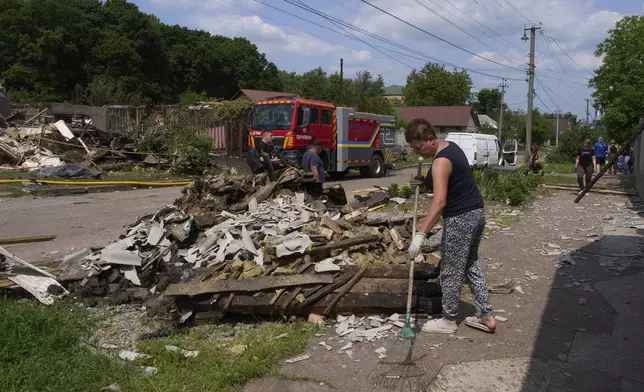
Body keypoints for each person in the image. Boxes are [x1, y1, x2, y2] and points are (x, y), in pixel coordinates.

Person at [406, 118, 495, 335]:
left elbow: (439, 202)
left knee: (450, 271)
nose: (418, 151)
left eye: (419, 147)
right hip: (476, 212)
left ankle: (448, 320)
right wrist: (423, 181)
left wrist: (420, 235)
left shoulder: (439, 162)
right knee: (470, 264)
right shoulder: (451, 147)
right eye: (413, 148)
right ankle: (487, 315)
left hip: (460, 218)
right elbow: (446, 178)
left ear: (431, 140)